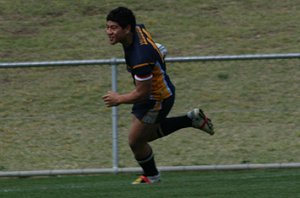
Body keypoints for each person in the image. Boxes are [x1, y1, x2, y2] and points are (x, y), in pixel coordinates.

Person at [103, 7, 214, 184]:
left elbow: (142, 92)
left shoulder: (140, 58)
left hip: (157, 98)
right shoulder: (138, 30)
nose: (109, 32)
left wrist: (119, 99)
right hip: (152, 93)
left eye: (114, 28)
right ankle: (190, 120)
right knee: (141, 137)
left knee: (135, 141)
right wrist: (159, 51)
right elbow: (153, 45)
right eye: (108, 27)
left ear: (127, 28)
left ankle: (153, 177)